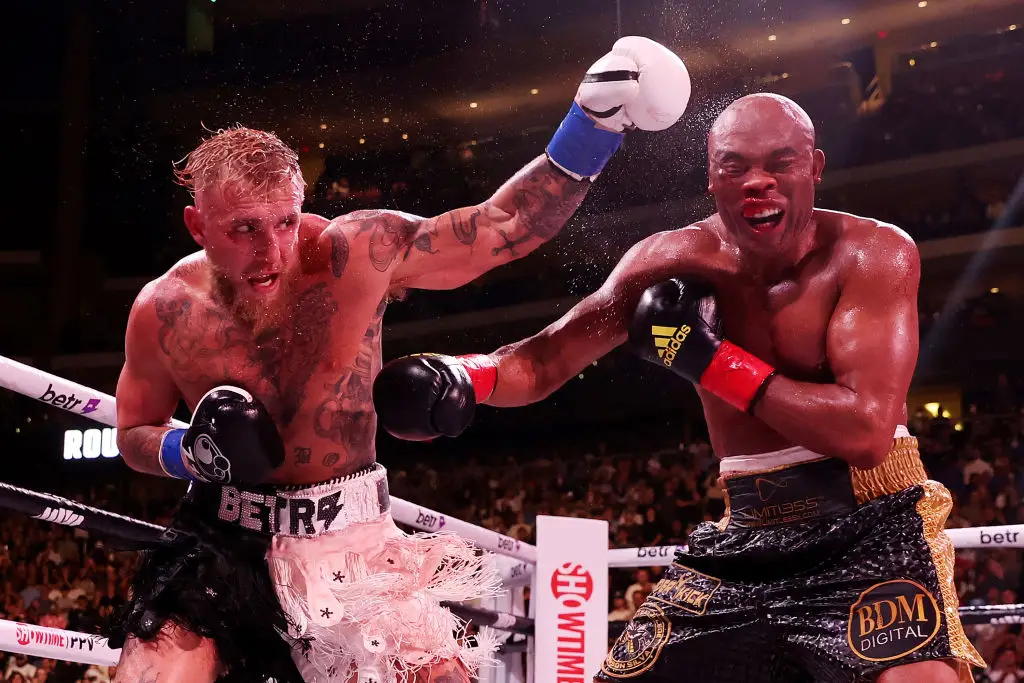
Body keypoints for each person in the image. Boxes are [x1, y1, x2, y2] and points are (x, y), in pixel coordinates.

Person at [107, 36, 690, 683]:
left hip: (349, 543)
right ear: (197, 226)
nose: (272, 250)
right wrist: (189, 453)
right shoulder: (162, 308)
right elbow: (132, 431)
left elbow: (498, 230)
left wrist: (594, 124)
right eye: (244, 228)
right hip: (218, 536)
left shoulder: (357, 253)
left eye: (285, 220)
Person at [374, 93, 985, 682]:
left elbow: (864, 431)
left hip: (869, 520)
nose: (757, 182)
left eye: (780, 163)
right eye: (735, 167)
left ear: (815, 168)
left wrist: (711, 362)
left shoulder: (872, 253)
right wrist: (463, 376)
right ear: (711, 180)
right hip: (748, 527)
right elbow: (546, 359)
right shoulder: (670, 259)